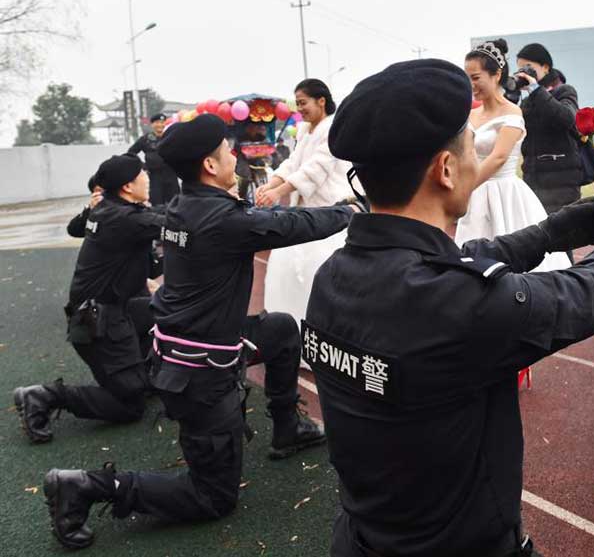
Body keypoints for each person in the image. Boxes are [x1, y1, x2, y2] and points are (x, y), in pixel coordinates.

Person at [306, 58, 594, 556]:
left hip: (364, 540)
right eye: (469, 147)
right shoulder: (461, 304)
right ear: (446, 169)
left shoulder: (334, 275)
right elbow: (590, 293)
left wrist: (550, 232)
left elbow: (453, 263)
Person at [41, 114, 358, 550]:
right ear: (211, 165)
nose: (235, 156)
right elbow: (296, 225)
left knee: (282, 330)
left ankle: (288, 427)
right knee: (213, 496)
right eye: (229, 151)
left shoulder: (183, 207)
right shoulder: (220, 220)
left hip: (199, 342)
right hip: (200, 369)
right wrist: (351, 210)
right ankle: (89, 487)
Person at [14, 156, 163, 444]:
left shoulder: (110, 209)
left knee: (159, 311)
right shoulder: (121, 217)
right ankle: (44, 397)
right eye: (142, 173)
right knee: (130, 405)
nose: (148, 176)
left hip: (105, 311)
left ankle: (142, 378)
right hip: (99, 322)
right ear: (127, 186)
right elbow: (172, 222)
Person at [458, 39, 570, 273]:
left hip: (505, 194)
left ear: (497, 75)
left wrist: (465, 187)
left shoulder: (512, 111)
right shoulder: (471, 114)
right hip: (475, 196)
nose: (471, 84)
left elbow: (499, 157)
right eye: (467, 77)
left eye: (476, 77)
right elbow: (466, 153)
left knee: (517, 260)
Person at [255, 79, 352, 329]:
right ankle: (292, 328)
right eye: (297, 103)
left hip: (329, 209)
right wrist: (272, 183)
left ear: (321, 101)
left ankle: (326, 330)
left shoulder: (333, 128)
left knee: (323, 269)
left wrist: (279, 193)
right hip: (305, 211)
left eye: (303, 102)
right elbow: (293, 163)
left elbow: (315, 169)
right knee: (288, 271)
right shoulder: (304, 130)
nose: (300, 108)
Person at [515, 43, 582, 215]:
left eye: (528, 67)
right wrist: (511, 97)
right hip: (534, 179)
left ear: (545, 67)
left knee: (561, 234)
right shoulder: (528, 100)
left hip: (562, 180)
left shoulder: (565, 91)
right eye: (520, 68)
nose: (524, 72)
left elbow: (567, 118)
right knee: (537, 234)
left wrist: (535, 89)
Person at [127, 113, 180, 206]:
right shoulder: (145, 139)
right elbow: (131, 153)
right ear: (152, 124)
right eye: (157, 122)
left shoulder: (171, 137)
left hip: (171, 174)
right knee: (156, 203)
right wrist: (143, 166)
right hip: (154, 176)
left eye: (162, 122)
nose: (160, 125)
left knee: (175, 202)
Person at [66, 173, 104, 238]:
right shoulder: (95, 211)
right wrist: (90, 210)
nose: (105, 194)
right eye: (100, 191)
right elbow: (74, 230)